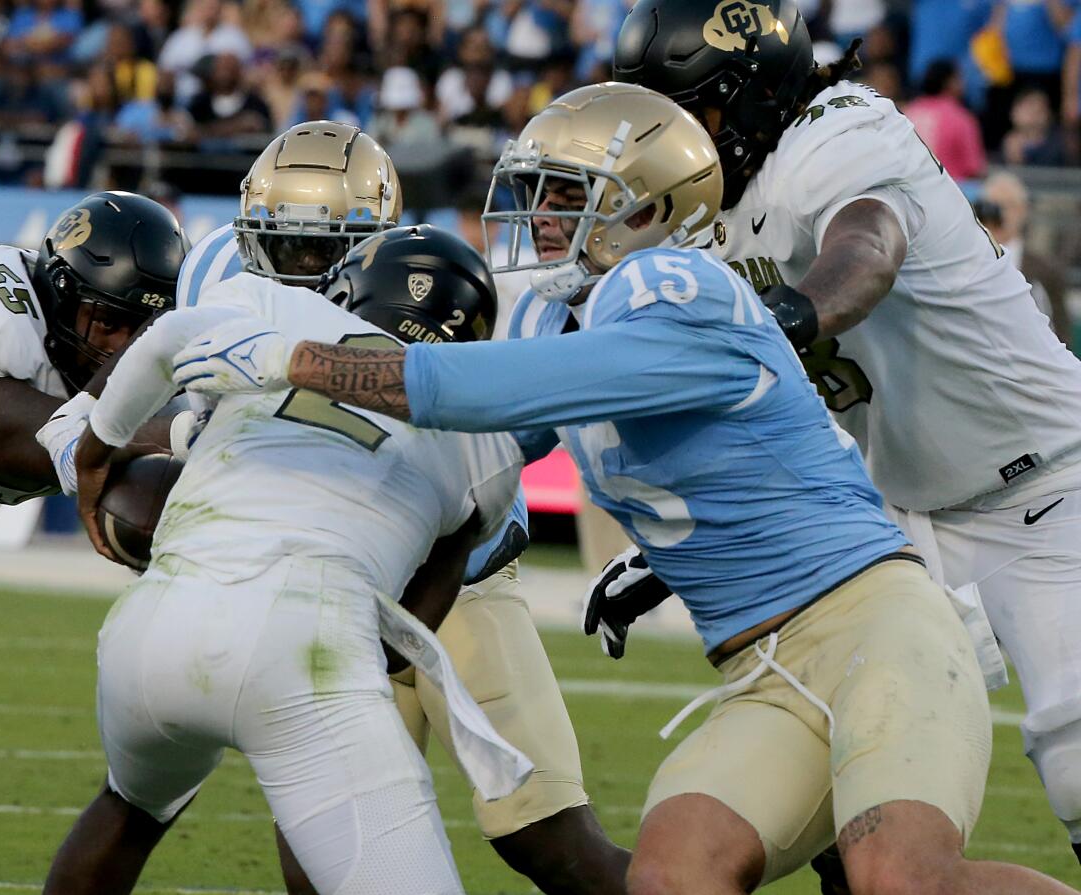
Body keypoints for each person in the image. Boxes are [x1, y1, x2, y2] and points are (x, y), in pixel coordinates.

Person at [167, 81, 1079, 895]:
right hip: (765, 672)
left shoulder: (676, 282)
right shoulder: (581, 309)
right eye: (537, 191)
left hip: (877, 631)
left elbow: (472, 393)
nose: (543, 214)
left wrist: (303, 361)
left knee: (902, 880)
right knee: (673, 874)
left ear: (653, 206)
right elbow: (466, 470)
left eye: (571, 193)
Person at [611, 0, 1081, 874]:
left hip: (1047, 485)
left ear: (752, 98)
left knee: (1077, 762)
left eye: (689, 111)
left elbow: (868, 247)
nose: (670, 138)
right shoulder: (703, 202)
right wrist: (670, 544)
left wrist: (783, 318)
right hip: (892, 510)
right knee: (849, 757)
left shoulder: (839, 131)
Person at [172, 119, 632, 895]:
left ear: (375, 238)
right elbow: (172, 395)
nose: (302, 271)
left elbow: (496, 489)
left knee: (547, 837)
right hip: (327, 585)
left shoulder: (441, 291)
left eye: (324, 250)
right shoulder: (218, 272)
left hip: (460, 585)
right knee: (320, 856)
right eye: (282, 246)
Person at [42, 225, 527, 895]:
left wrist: (96, 453)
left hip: (151, 630)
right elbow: (402, 640)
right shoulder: (490, 441)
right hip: (307, 650)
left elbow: (163, 342)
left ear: (350, 288)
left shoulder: (272, 305)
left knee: (129, 807)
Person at [0, 190, 186, 894]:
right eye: (109, 321)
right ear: (57, 293)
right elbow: (13, 439)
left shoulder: (145, 349)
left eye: (146, 327)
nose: (123, 346)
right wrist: (179, 434)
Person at [979, 171, 1071, 348]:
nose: (999, 215)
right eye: (992, 207)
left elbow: (1062, 336)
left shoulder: (1047, 270)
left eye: (1007, 206)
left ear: (1023, 210)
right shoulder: (967, 265)